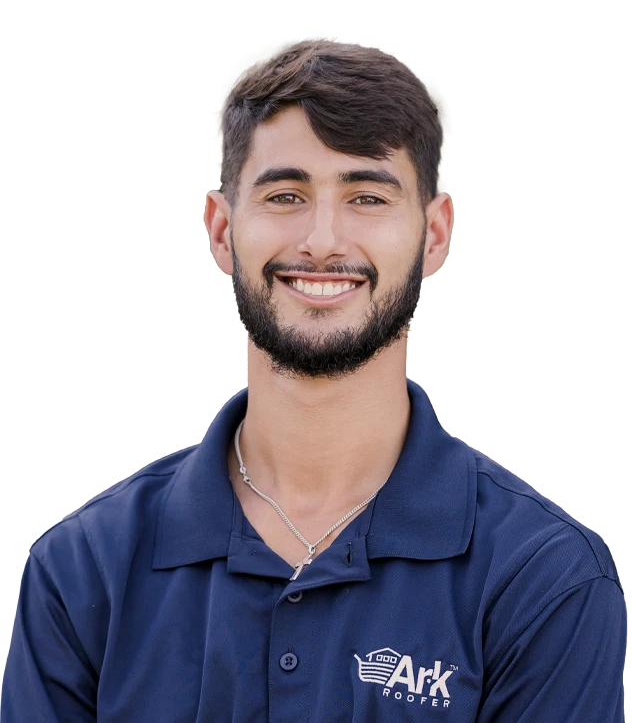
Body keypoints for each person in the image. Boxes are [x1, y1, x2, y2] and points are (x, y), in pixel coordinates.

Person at [2, 37, 626, 721]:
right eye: (285, 194)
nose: (322, 239)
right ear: (220, 229)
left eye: (365, 195)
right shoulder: (84, 569)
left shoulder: (541, 576)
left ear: (435, 234)